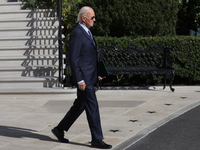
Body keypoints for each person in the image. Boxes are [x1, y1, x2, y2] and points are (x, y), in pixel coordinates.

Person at [51, 6, 112, 149]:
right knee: (93, 106)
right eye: (92, 18)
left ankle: (59, 129)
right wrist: (79, 79)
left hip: (89, 76)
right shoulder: (77, 33)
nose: (94, 20)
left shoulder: (87, 32)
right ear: (84, 18)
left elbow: (88, 57)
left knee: (80, 105)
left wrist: (97, 73)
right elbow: (74, 59)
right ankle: (97, 139)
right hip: (84, 79)